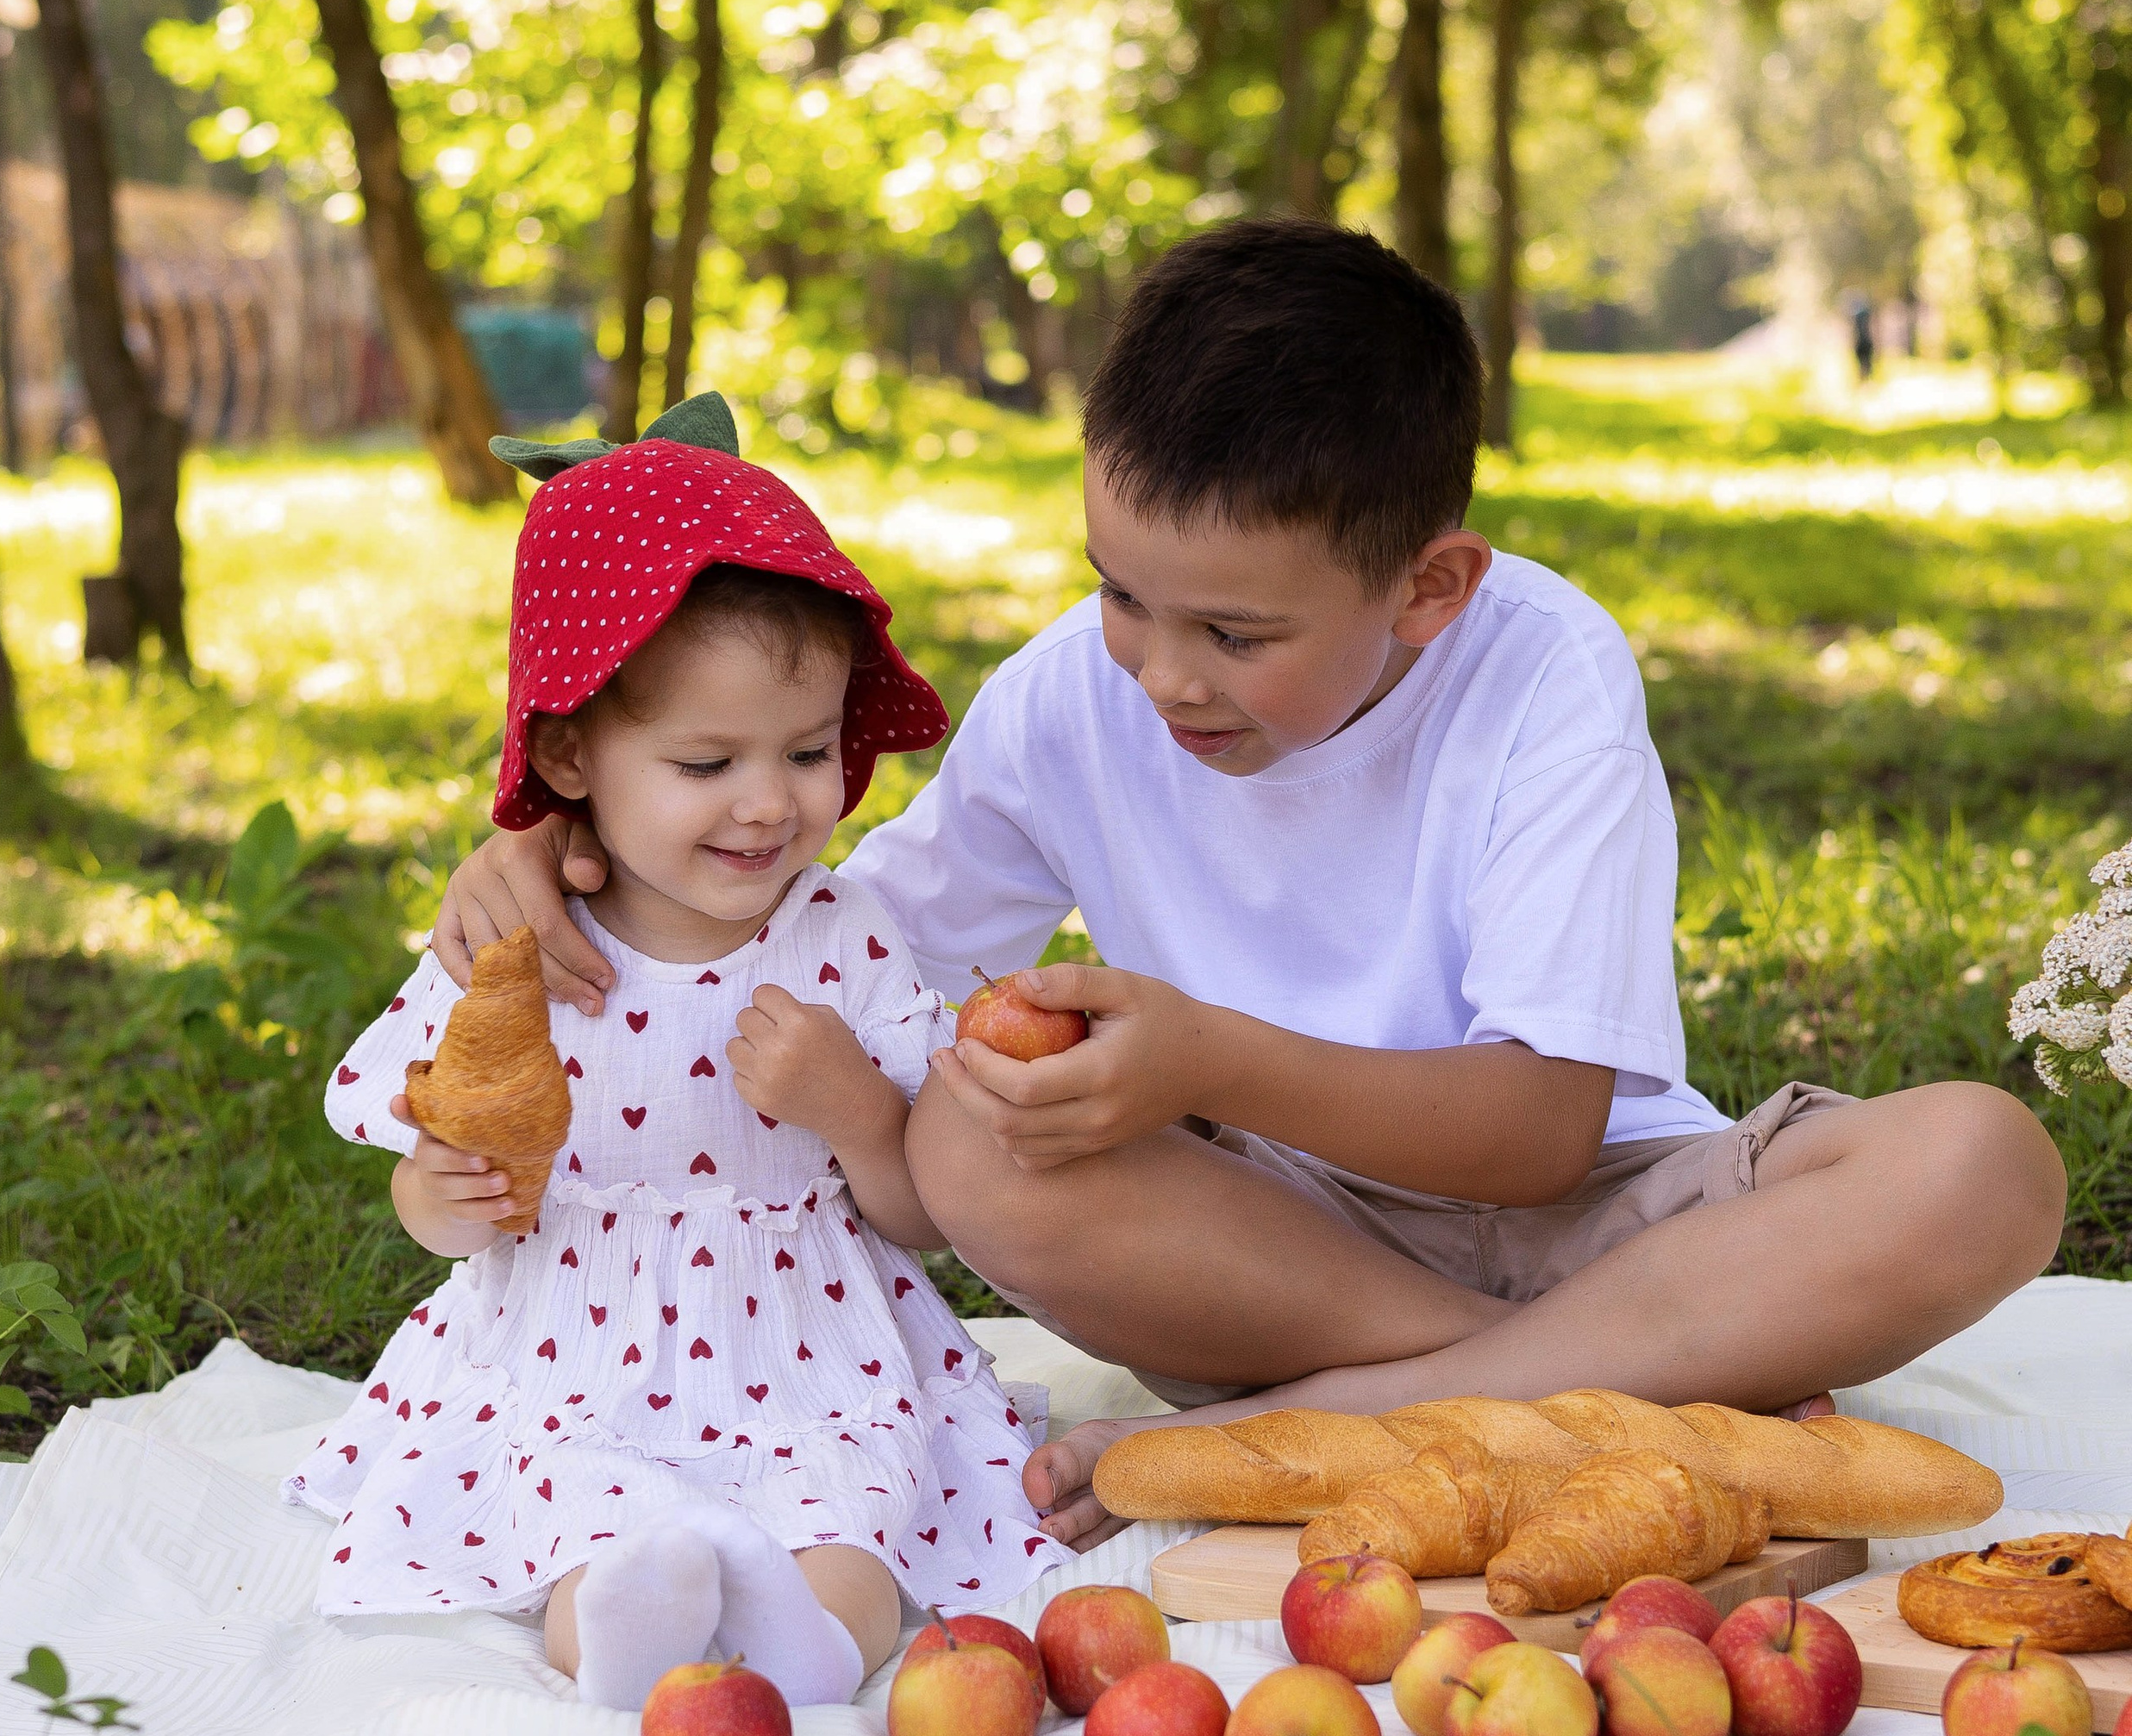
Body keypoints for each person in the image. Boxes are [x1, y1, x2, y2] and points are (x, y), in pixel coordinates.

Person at [435, 226, 2066, 1555]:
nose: (1158, 671)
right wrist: (563, 849)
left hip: (1611, 1224)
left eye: (1237, 634)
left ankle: (1348, 1430)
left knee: (1984, 1163)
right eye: (1122, 594)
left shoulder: (1545, 674)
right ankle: (1587, 1396)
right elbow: (819, 940)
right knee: (970, 1130)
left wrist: (1212, 1054)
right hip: (1272, 1261)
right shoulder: (1078, 690)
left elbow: (1545, 1131)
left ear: (1430, 589)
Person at [284, 418, 1057, 1703]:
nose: (772, 802)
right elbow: (432, 1180)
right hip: (579, 1358)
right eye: (708, 763)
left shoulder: (844, 937)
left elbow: (926, 1212)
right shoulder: (519, 951)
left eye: (810, 752)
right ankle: (628, 1638)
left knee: (855, 1525)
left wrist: (859, 1113)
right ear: (572, 752)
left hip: (814, 1353)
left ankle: (813, 1645)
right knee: (591, 1529)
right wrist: (438, 1198)